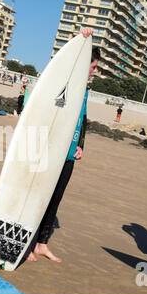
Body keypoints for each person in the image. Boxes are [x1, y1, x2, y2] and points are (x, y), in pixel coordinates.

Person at [27, 28, 100, 263]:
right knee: (38, 197)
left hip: (68, 155)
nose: (95, 71)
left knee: (55, 199)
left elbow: (83, 119)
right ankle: (26, 245)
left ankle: (41, 245)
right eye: (94, 66)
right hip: (50, 153)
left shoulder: (85, 91)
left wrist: (81, 145)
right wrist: (81, 39)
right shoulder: (63, 83)